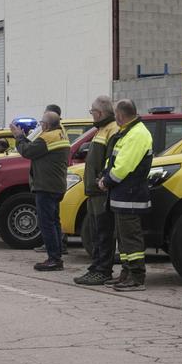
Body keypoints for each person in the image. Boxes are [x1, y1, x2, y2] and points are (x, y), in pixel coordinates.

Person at [98, 99, 153, 291]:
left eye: (115, 115)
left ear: (120, 115)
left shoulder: (137, 134)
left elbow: (123, 167)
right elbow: (113, 160)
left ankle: (137, 277)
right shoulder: (128, 132)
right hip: (123, 195)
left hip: (131, 195)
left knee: (131, 238)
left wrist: (107, 181)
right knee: (123, 238)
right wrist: (105, 176)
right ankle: (127, 273)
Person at [13, 111, 70, 271]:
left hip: (46, 186)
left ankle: (54, 258)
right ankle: (57, 256)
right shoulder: (61, 134)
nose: (40, 125)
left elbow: (27, 151)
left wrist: (18, 137)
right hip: (56, 184)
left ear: (45, 125)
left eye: (41, 123)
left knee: (47, 223)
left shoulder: (47, 138)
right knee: (54, 222)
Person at [74, 96, 120, 285]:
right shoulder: (102, 129)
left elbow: (111, 161)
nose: (91, 114)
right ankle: (96, 266)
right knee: (95, 232)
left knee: (103, 232)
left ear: (99, 113)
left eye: (92, 111)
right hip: (95, 191)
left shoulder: (112, 130)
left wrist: (102, 180)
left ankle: (103, 270)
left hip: (102, 191)